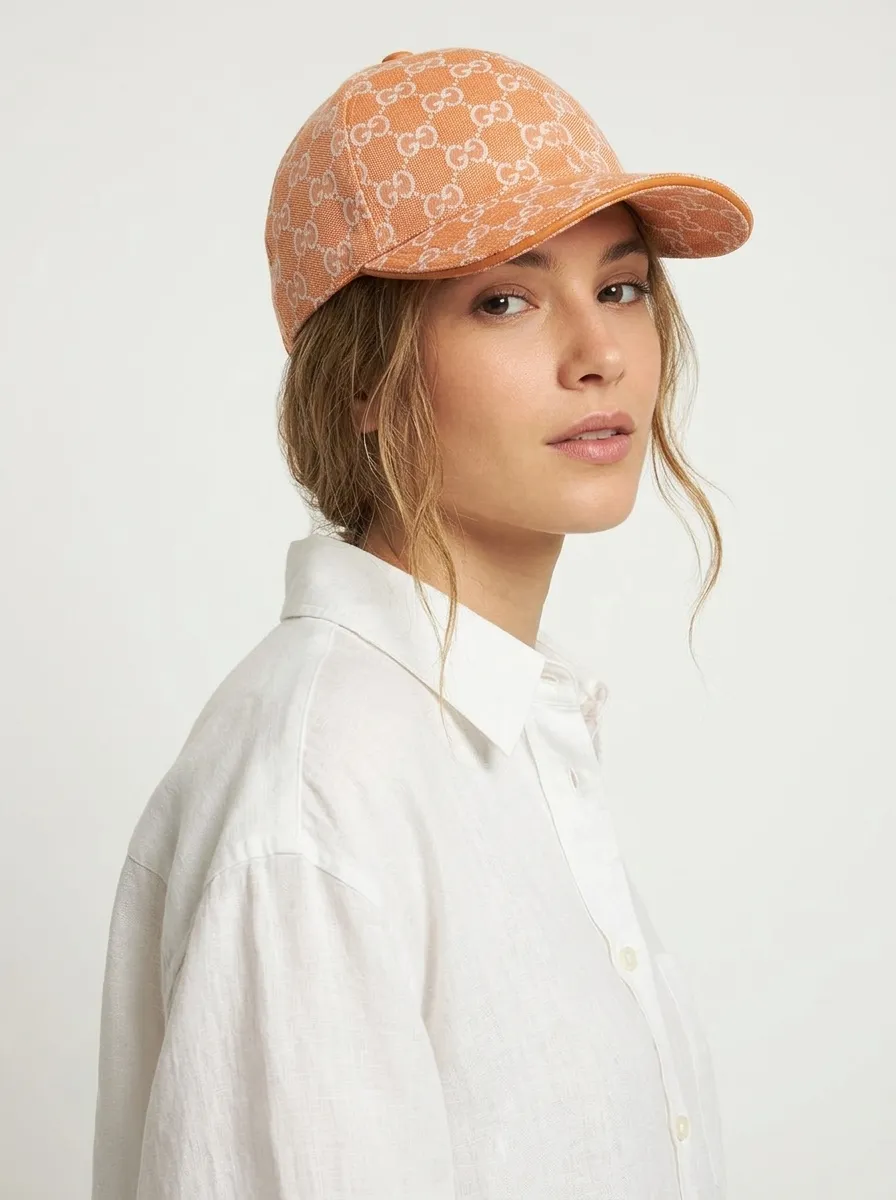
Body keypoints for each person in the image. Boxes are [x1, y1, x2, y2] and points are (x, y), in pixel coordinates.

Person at [91, 45, 753, 1200]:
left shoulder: (500, 736)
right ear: (360, 377)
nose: (599, 355)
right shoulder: (320, 795)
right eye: (503, 299)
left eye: (620, 286)